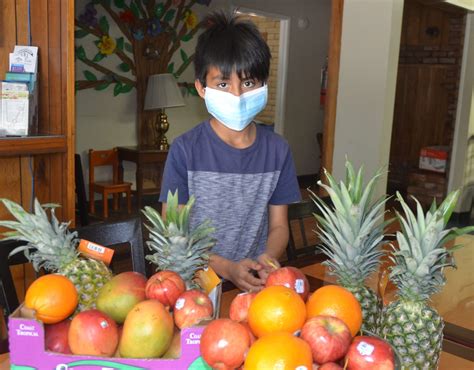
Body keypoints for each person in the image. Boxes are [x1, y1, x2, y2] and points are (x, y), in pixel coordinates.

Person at [159, 11, 301, 292]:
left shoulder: (278, 150)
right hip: (195, 286)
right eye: (223, 84)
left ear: (264, 85)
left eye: (248, 83)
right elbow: (173, 233)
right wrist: (225, 268)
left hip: (254, 286)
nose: (237, 95)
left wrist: (267, 260)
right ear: (201, 88)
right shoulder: (185, 150)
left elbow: (279, 226)